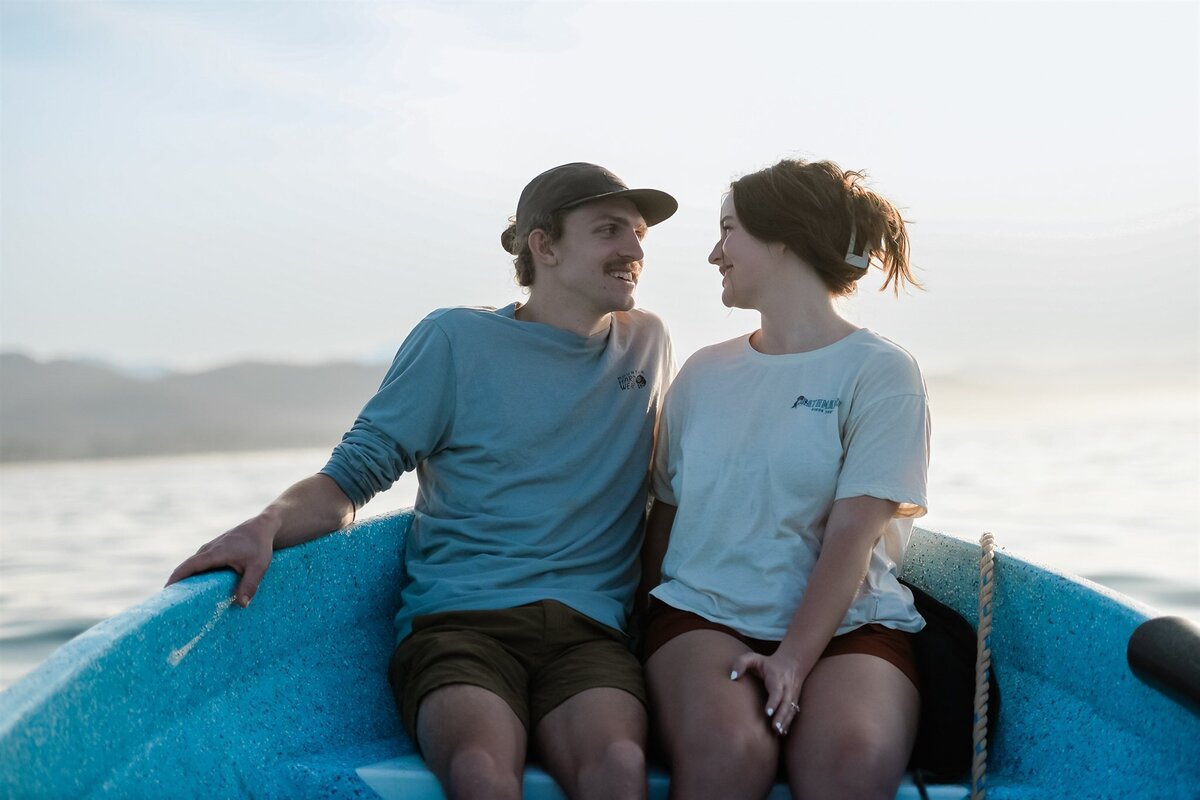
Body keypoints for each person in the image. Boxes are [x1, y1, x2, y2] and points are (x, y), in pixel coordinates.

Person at [167, 162, 678, 800]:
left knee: (620, 769)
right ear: (543, 246)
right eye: (609, 231)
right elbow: (349, 479)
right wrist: (268, 523)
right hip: (463, 624)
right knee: (478, 772)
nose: (633, 250)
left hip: (590, 633)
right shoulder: (453, 340)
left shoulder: (647, 343)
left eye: (638, 234)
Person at [638, 157, 929, 800]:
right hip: (704, 616)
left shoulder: (880, 372)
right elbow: (664, 513)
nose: (715, 253)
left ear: (783, 237)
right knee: (730, 753)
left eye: (728, 229)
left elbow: (853, 538)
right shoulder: (703, 373)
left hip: (853, 626)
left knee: (850, 763)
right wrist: (632, 628)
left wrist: (791, 662)